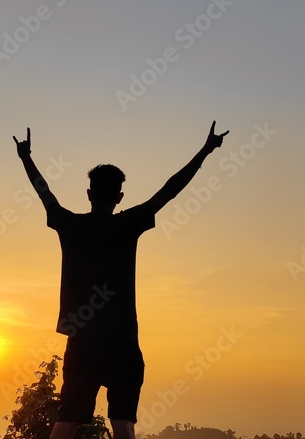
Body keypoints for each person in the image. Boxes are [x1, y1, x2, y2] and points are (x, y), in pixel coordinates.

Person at [12, 121, 230, 439]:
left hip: (82, 342)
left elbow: (45, 193)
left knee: (67, 420)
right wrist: (206, 151)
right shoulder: (128, 224)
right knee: (123, 422)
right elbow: (169, 190)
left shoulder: (69, 226)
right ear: (119, 196)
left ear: (89, 193)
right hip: (122, 342)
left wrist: (25, 158)